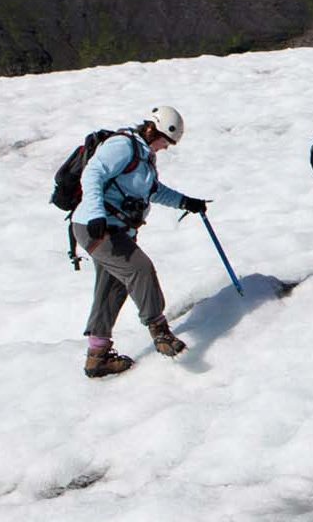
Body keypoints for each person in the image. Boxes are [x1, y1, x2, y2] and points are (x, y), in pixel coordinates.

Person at [70, 106, 212, 378]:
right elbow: (93, 174)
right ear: (155, 131)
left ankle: (97, 356)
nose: (166, 148)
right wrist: (97, 213)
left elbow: (152, 190)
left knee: (113, 288)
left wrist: (186, 202)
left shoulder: (144, 157)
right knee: (139, 269)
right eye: (166, 142)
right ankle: (160, 332)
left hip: (114, 230)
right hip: (95, 228)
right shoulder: (123, 146)